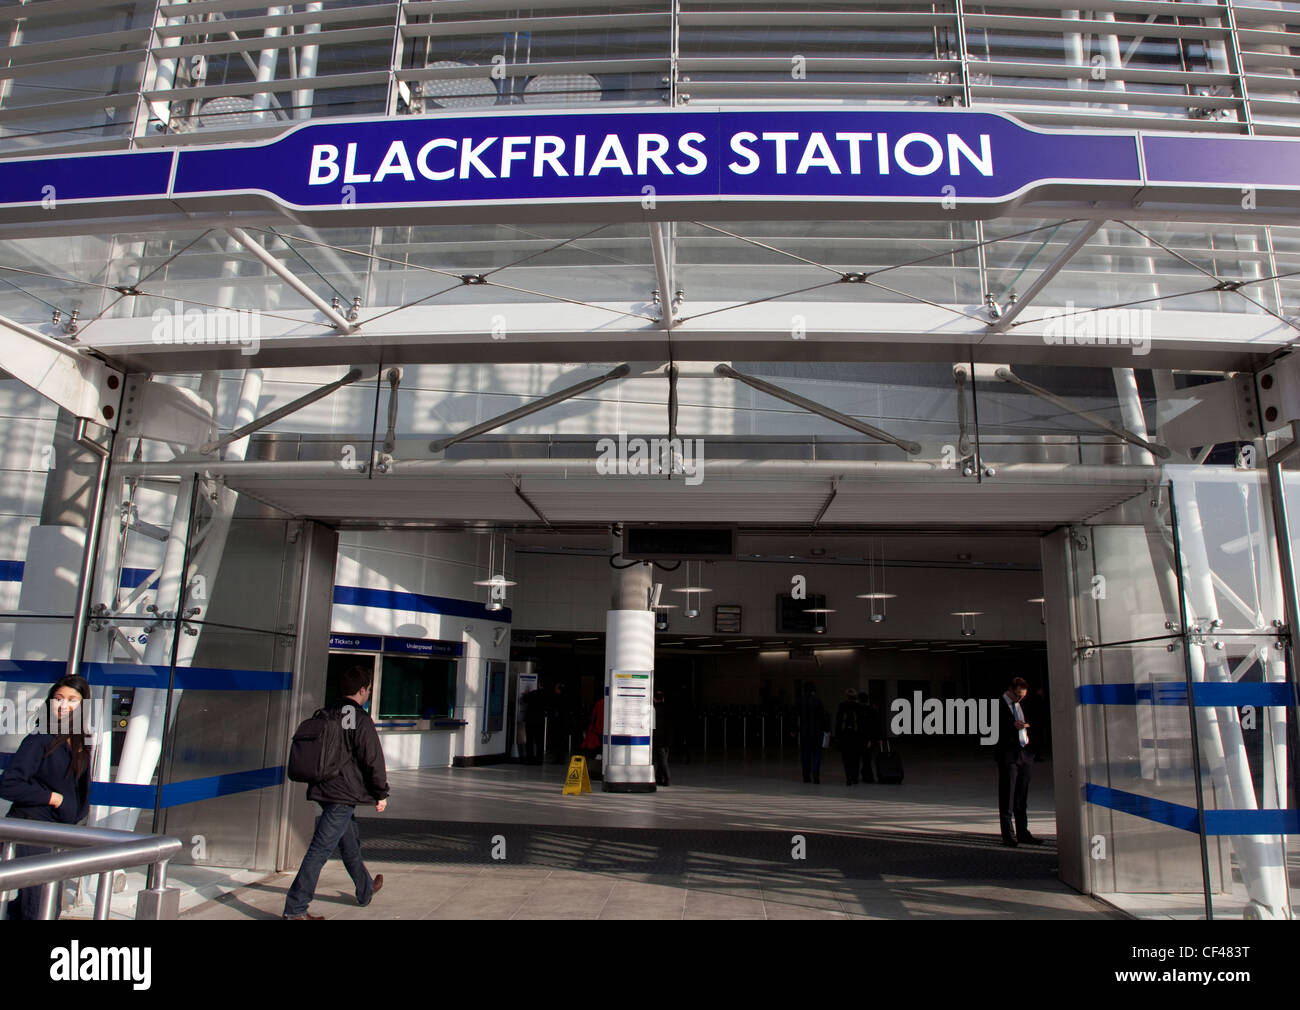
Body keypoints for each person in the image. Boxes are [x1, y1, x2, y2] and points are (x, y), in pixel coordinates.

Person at [283, 665, 389, 919]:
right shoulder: (360, 719)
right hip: (343, 794)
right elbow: (372, 759)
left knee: (349, 841)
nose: (368, 694)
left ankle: (365, 889)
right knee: (319, 849)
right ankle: (295, 909)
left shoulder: (326, 713)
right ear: (363, 690)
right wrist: (381, 793)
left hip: (324, 788)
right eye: (369, 690)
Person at [1, 675, 93, 920]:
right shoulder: (40, 739)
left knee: (42, 904)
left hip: (57, 833)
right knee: (40, 906)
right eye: (58, 699)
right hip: (32, 829)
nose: (64, 706)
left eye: (72, 700)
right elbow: (8, 784)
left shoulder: (80, 743)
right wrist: (52, 798)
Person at [994, 676, 1041, 846]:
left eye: (1023, 695)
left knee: (1022, 796)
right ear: (1010, 690)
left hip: (1025, 753)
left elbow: (1036, 722)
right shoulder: (998, 704)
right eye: (1018, 695)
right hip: (1008, 755)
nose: (1020, 698)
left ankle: (1023, 832)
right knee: (1008, 795)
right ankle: (1008, 834)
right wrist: (1011, 727)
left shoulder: (1025, 703)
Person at [798, 685, 828, 784]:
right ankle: (816, 775)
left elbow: (796, 716)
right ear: (814, 691)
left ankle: (806, 776)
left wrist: (794, 730)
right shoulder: (818, 701)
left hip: (805, 732)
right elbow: (824, 716)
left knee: (805, 755)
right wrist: (826, 730)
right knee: (816, 755)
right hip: (817, 732)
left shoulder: (801, 701)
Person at [834, 688, 864, 786]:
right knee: (856, 758)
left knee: (846, 758)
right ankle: (855, 777)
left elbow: (838, 722)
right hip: (856, 737)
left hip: (844, 736)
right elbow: (862, 723)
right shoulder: (859, 707)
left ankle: (848, 777)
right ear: (855, 696)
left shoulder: (842, 706)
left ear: (846, 696)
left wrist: (837, 736)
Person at [652, 690, 671, 787]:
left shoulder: (654, 710)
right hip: (667, 738)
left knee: (662, 759)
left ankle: (667, 778)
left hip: (659, 738)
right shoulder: (668, 708)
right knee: (662, 759)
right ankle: (659, 778)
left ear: (654, 699)